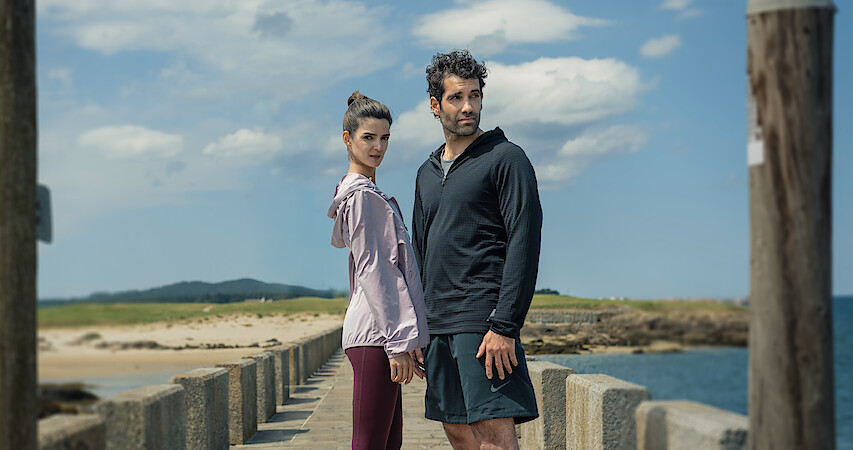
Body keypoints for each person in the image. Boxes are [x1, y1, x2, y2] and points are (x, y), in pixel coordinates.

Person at [412, 50, 542, 449]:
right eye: (456, 97)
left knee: (493, 436)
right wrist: (416, 327)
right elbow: (419, 252)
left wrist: (505, 325)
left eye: (475, 95)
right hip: (437, 326)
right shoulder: (426, 173)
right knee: (456, 430)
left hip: (483, 323)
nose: (468, 106)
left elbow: (525, 238)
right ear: (435, 105)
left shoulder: (506, 158)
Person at [328, 91, 430, 450]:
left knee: (389, 443)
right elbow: (375, 272)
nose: (378, 147)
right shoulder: (364, 198)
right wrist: (399, 342)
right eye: (368, 137)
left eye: (384, 137)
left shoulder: (365, 194)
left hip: (379, 333)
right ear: (347, 139)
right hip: (376, 336)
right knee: (370, 443)